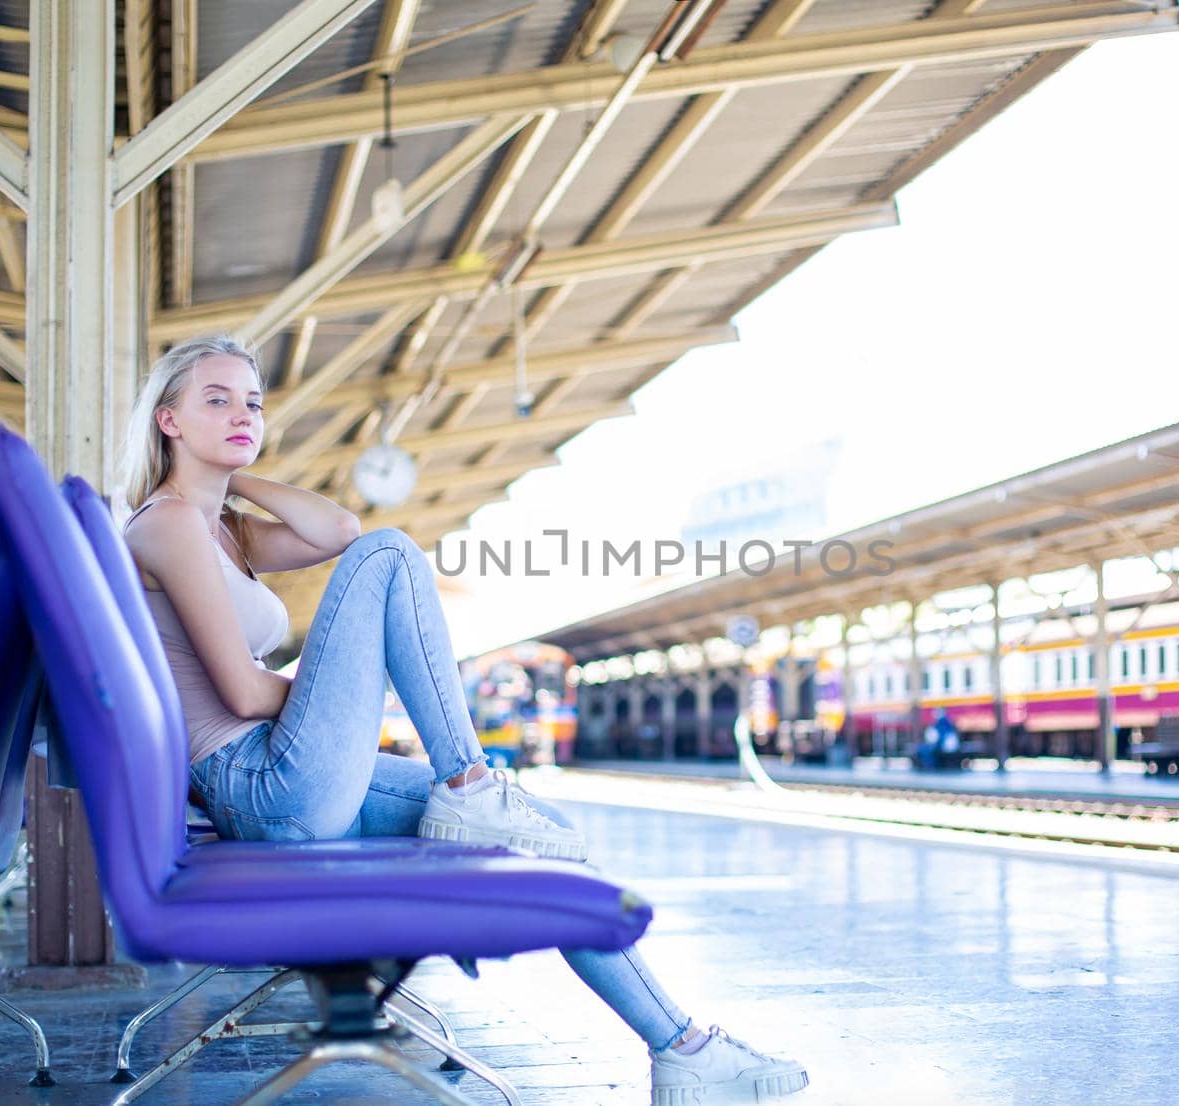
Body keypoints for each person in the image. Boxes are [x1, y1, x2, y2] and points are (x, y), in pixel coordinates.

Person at [119, 335, 808, 1105]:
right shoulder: (168, 522)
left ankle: (684, 1047)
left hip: (285, 772)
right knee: (391, 557)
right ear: (169, 420)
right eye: (216, 399)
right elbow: (245, 695)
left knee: (533, 832)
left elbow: (336, 528)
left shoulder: (223, 529)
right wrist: (340, 705)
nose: (243, 413)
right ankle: (470, 776)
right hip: (260, 780)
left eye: (253, 402)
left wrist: (237, 470)